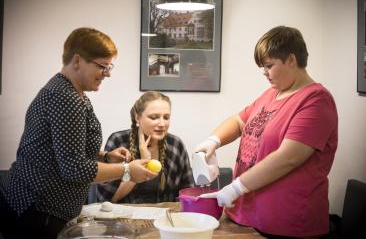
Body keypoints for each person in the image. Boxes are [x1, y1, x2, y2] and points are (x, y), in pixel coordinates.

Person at [0, 27, 158, 239]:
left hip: (37, 207)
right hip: (37, 210)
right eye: (103, 66)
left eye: (110, 66)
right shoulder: (66, 97)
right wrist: (127, 170)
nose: (108, 74)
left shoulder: (71, 92)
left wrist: (106, 156)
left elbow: (63, 150)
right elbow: (74, 168)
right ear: (77, 61)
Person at [196, 26, 338, 238]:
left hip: (286, 225)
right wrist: (213, 140)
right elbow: (238, 121)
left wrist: (236, 188)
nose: (264, 72)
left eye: (269, 65)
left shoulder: (316, 101)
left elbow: (287, 158)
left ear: (291, 59)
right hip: (246, 216)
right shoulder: (272, 94)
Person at [96, 91, 194, 204]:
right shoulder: (118, 141)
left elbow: (188, 193)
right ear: (138, 117)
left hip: (164, 218)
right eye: (154, 117)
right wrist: (143, 160)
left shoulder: (176, 145)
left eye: (166, 117)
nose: (162, 123)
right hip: (124, 218)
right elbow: (108, 201)